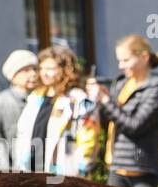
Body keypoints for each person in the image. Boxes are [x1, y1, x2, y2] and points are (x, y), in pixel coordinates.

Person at [86, 34, 158, 187]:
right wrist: (99, 99)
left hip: (141, 170)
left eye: (126, 60)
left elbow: (134, 126)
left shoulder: (156, 89)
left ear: (144, 57)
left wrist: (106, 101)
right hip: (117, 166)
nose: (121, 66)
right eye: (119, 61)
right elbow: (110, 121)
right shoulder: (122, 84)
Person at [14, 45, 99, 178]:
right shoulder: (35, 98)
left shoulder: (77, 99)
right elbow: (23, 134)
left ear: (65, 70)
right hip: (33, 173)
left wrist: (80, 169)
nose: (43, 73)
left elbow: (88, 138)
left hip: (64, 176)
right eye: (41, 68)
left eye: (50, 69)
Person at [0, 49, 39, 170]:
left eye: (35, 69)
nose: (33, 74)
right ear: (13, 76)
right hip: (14, 168)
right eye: (26, 70)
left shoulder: (41, 100)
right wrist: (5, 168)